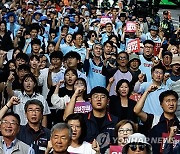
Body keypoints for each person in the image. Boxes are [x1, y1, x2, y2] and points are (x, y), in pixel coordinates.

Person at [63, 86, 118, 153]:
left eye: (103, 97)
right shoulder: (83, 118)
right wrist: (75, 95)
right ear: (90, 100)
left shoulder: (116, 121)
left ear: (108, 101)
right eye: (95, 96)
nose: (99, 99)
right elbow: (67, 118)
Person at [134, 90, 179, 154]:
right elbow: (137, 111)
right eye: (168, 101)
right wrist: (147, 92)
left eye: (174, 100)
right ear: (161, 104)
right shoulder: (154, 119)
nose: (171, 104)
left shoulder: (179, 123)